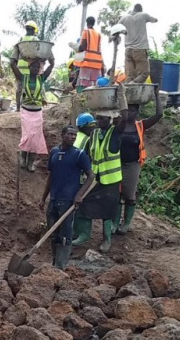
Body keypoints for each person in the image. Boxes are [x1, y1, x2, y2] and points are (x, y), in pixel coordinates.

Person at [73, 84, 128, 253]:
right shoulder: (95, 134)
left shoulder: (115, 133)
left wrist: (122, 97)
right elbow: (89, 155)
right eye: (97, 119)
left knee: (107, 211)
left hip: (111, 181)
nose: (98, 121)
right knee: (83, 203)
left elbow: (124, 118)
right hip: (95, 179)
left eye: (102, 119)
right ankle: (84, 234)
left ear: (109, 120)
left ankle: (107, 239)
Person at [40, 126, 94, 270]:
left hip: (68, 201)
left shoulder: (79, 154)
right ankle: (54, 263)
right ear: (62, 135)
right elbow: (50, 177)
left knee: (65, 234)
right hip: (54, 199)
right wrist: (43, 198)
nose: (73, 137)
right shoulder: (54, 152)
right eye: (70, 134)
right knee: (53, 233)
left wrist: (79, 195)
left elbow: (91, 176)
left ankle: (61, 265)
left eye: (75, 135)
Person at [116, 87, 163, 234]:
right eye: (127, 110)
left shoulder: (140, 125)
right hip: (116, 164)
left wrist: (156, 95)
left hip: (132, 165)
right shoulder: (118, 124)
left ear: (137, 113)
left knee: (129, 195)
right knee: (116, 194)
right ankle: (114, 222)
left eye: (132, 111)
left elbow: (159, 114)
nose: (129, 113)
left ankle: (126, 223)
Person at [9, 57, 55, 172]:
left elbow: (51, 66)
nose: (36, 69)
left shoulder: (41, 78)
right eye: (34, 67)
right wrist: (14, 58)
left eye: (38, 67)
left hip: (37, 112)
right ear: (29, 68)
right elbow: (13, 66)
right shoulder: (23, 78)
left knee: (35, 137)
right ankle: (23, 157)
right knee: (27, 135)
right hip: (26, 111)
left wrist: (51, 59)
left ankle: (30, 162)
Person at [119, 4, 158, 83]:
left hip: (128, 50)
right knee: (144, 74)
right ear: (140, 10)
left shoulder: (124, 18)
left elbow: (117, 28)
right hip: (139, 49)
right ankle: (132, 85)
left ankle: (129, 91)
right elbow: (155, 20)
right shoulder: (143, 15)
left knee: (130, 76)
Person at [76, 17, 105, 92]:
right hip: (97, 64)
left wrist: (77, 48)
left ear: (87, 23)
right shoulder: (98, 35)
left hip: (87, 63)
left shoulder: (86, 32)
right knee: (95, 86)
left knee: (83, 86)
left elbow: (83, 46)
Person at [14, 20, 39, 103]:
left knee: (19, 88)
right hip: (30, 67)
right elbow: (38, 53)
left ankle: (18, 106)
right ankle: (27, 103)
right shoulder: (35, 39)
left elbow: (16, 54)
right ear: (33, 30)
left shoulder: (20, 39)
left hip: (20, 67)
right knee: (29, 87)